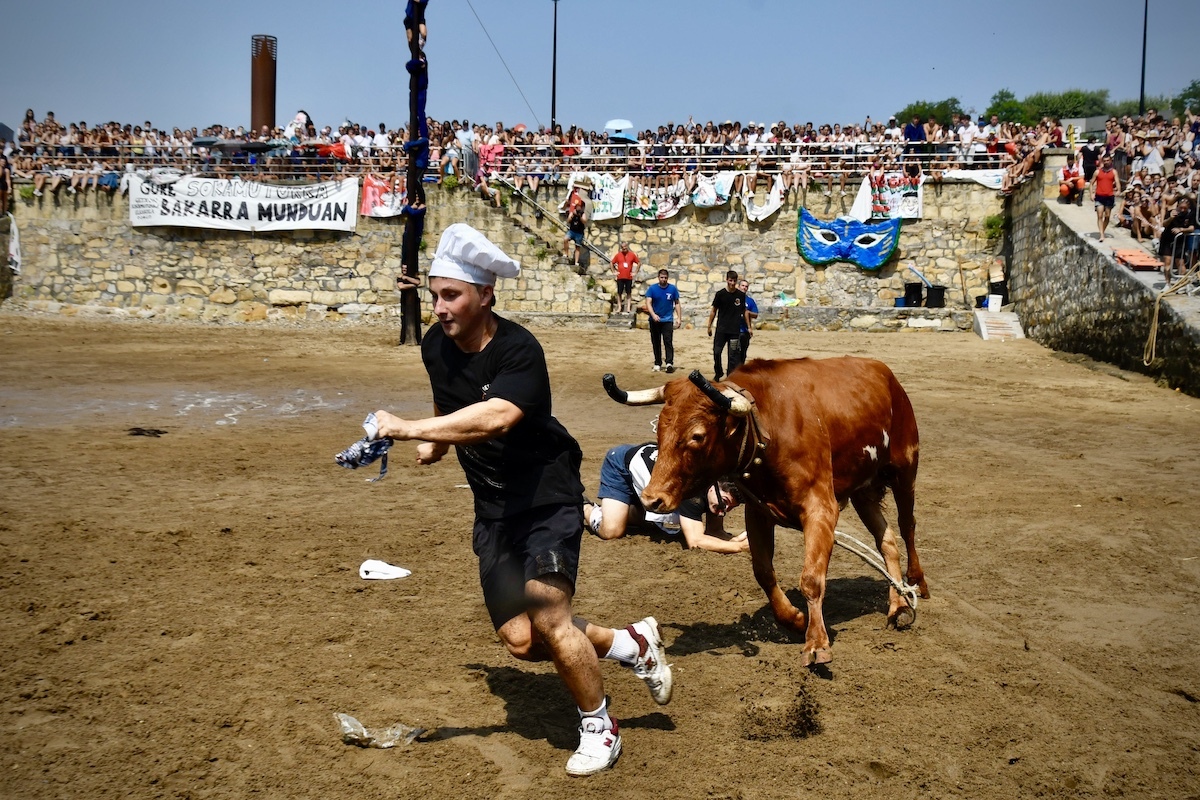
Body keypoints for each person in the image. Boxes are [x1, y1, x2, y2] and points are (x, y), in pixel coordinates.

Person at [370, 223, 671, 777]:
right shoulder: (436, 345)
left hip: (546, 496)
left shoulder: (519, 350)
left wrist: (411, 428)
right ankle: (629, 644)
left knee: (551, 617)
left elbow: (501, 415)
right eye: (434, 294)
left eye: (451, 295)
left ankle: (599, 726)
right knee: (521, 642)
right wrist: (436, 441)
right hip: (494, 509)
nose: (438, 307)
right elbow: (454, 405)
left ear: (486, 295)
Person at [584, 442, 749, 554]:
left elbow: (714, 532)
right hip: (621, 464)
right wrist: (738, 547)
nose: (723, 512)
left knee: (653, 521)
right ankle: (583, 505)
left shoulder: (715, 487)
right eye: (725, 503)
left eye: (730, 508)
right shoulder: (691, 489)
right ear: (713, 486)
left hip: (650, 474)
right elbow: (695, 541)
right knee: (612, 531)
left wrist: (734, 541)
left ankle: (627, 510)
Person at [706, 270, 748, 381]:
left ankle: (730, 376)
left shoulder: (741, 296)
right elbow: (713, 311)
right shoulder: (720, 294)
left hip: (734, 331)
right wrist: (709, 326)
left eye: (734, 281)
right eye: (730, 280)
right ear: (726, 280)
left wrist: (749, 327)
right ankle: (718, 372)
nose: (732, 283)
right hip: (721, 330)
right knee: (717, 352)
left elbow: (745, 312)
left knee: (732, 356)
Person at [644, 268, 681, 373]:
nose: (663, 279)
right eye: (661, 277)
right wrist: (653, 314)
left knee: (668, 341)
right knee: (656, 342)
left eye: (665, 278)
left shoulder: (672, 289)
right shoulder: (652, 289)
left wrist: (679, 318)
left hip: (667, 320)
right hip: (655, 320)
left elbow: (677, 303)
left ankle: (669, 362)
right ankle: (657, 362)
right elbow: (648, 302)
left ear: (667, 278)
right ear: (658, 277)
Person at [1159, 196, 1196, 283]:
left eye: (1185, 208)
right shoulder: (1171, 212)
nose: (1182, 210)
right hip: (1167, 239)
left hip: (1180, 240)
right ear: (1178, 206)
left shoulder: (1190, 215)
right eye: (1181, 208)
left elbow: (1191, 228)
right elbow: (1164, 224)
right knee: (1167, 261)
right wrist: (1171, 218)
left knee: (1180, 262)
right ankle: (1167, 283)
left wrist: (1181, 229)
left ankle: (1181, 284)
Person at [1090, 154, 1121, 242]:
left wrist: (1118, 190)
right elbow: (1091, 183)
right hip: (1099, 196)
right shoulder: (1097, 172)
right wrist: (1091, 194)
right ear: (1102, 162)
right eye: (1105, 161)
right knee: (1100, 215)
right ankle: (1101, 235)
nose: (1106, 162)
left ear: (1111, 161)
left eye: (1108, 160)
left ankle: (1102, 231)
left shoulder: (1114, 172)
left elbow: (1117, 181)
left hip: (1109, 196)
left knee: (1107, 216)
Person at [562, 180, 590, 267]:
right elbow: (568, 221)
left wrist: (579, 216)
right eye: (576, 206)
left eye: (578, 206)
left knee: (577, 247)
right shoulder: (573, 211)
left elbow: (584, 221)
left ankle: (576, 262)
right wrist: (571, 216)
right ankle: (566, 254)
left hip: (579, 232)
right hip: (572, 230)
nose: (577, 207)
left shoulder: (582, 213)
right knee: (565, 239)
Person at [610, 242, 640, 314]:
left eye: (625, 247)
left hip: (628, 277)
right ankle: (619, 307)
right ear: (621, 248)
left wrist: (635, 272)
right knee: (619, 293)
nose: (624, 249)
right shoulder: (618, 255)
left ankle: (628, 307)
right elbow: (612, 263)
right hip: (620, 277)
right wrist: (614, 271)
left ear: (627, 247)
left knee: (628, 292)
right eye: (623, 248)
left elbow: (639, 263)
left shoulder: (632, 255)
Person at [737, 278, 759, 360]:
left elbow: (756, 314)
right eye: (742, 286)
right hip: (734, 330)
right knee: (734, 353)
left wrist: (747, 312)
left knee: (743, 353)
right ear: (738, 287)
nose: (744, 288)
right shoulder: (733, 299)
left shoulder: (750, 301)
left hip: (745, 331)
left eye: (746, 286)